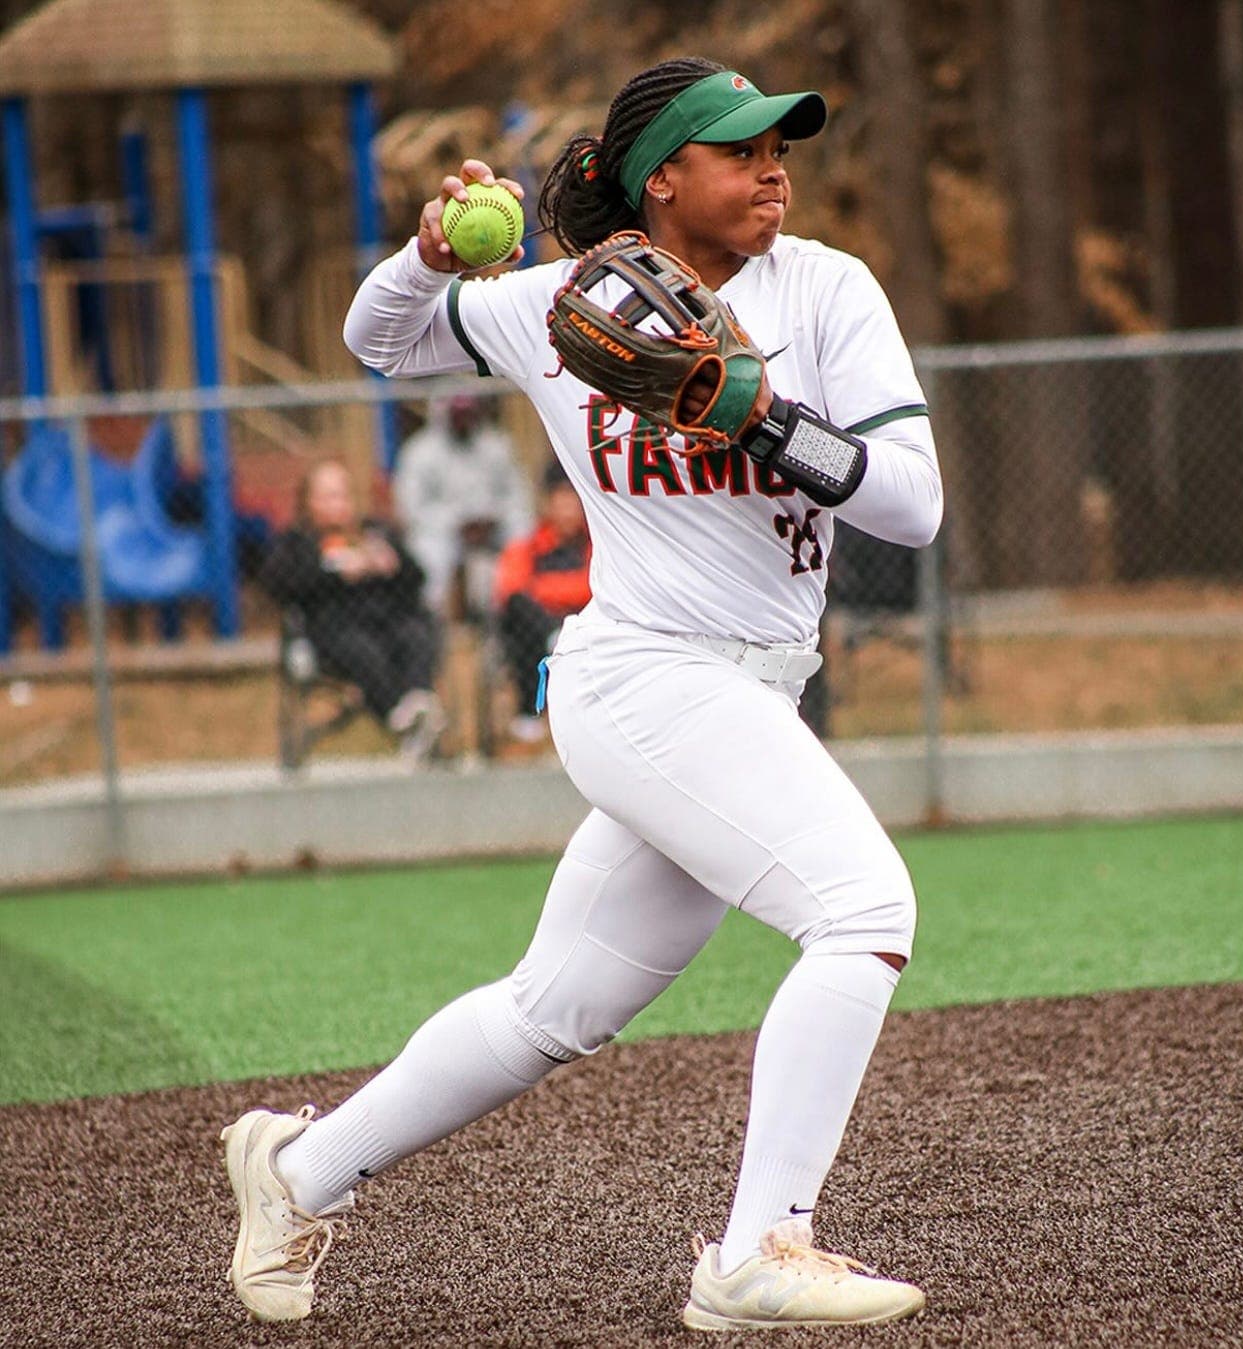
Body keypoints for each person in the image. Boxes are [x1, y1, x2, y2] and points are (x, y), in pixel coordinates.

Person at [221, 57, 942, 1331]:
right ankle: (760, 1247)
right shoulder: (562, 303)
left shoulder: (825, 289)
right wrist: (432, 253)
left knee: (554, 1009)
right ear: (662, 177)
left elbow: (911, 503)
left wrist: (763, 415)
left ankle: (295, 1170)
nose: (776, 165)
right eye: (742, 148)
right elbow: (375, 341)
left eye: (784, 145)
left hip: (752, 692)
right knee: (861, 906)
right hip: (641, 675)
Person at [259, 458, 443, 764]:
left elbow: (417, 577)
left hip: (389, 624)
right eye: (328, 496)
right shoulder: (298, 543)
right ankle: (405, 718)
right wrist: (335, 570)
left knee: (416, 634)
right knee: (359, 649)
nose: (338, 504)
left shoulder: (374, 532)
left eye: (342, 494)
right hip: (336, 635)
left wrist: (389, 564)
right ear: (309, 502)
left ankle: (417, 706)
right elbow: (278, 586)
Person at [391, 392, 533, 620]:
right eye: (457, 414)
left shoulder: (496, 445)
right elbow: (411, 509)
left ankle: (516, 613)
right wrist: (456, 522)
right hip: (444, 532)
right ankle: (431, 620)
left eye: (468, 413)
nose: (464, 419)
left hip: (492, 527)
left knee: (521, 530)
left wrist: (492, 518)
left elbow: (518, 496)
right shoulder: (420, 451)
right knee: (427, 549)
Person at [492, 460, 592, 745]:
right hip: (538, 632)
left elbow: (597, 587)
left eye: (573, 501)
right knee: (519, 612)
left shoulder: (595, 543)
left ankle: (557, 637)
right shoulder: (529, 545)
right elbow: (510, 590)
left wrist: (547, 590)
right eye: (560, 501)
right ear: (548, 504)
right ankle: (529, 711)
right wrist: (561, 596)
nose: (567, 510)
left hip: (581, 624)